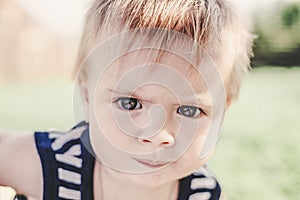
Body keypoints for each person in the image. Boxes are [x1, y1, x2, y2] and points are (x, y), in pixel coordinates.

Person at [0, 0, 253, 199]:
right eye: (130, 103)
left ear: (222, 112)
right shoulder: (50, 165)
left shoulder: (203, 193)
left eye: (189, 110)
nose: (157, 134)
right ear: (87, 99)